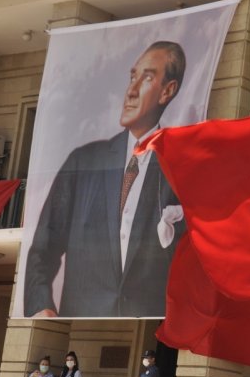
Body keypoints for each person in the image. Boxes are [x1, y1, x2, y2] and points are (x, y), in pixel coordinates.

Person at [24, 41, 187, 318]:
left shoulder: (181, 166)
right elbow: (43, 245)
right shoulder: (84, 161)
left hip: (152, 317)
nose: (131, 91)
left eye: (147, 78)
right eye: (132, 77)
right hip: (82, 311)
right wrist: (41, 305)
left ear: (168, 91)